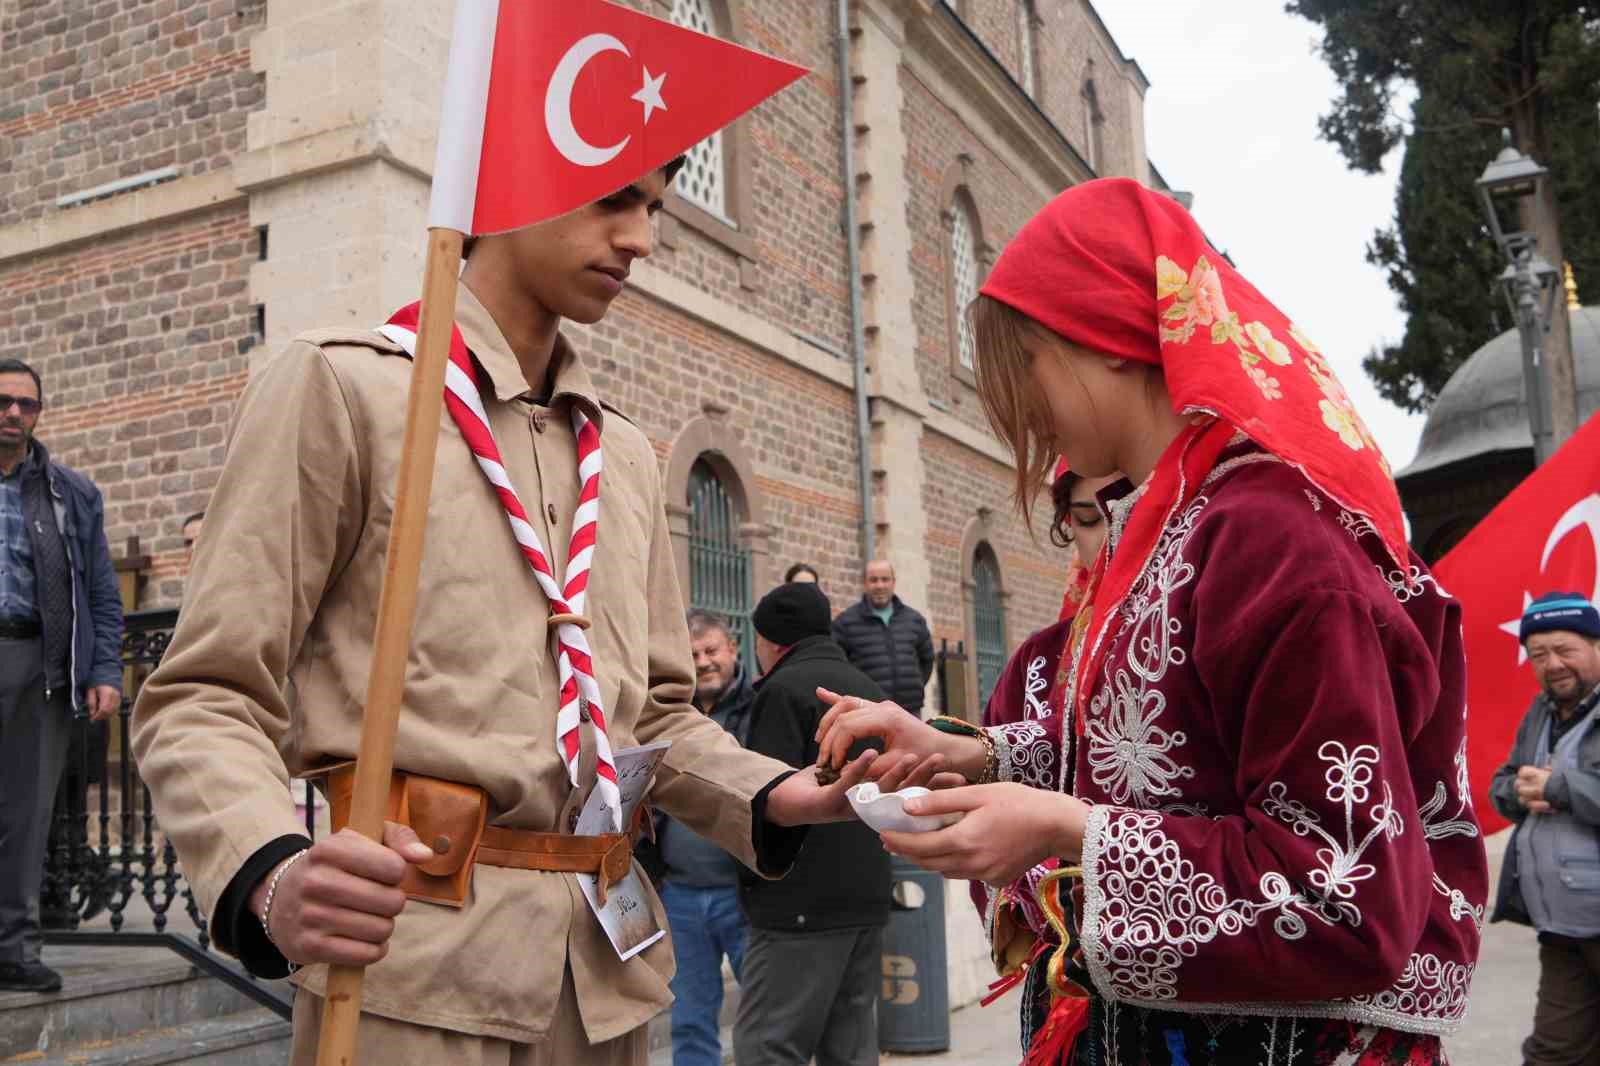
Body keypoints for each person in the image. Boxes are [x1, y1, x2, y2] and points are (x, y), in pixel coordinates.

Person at [130, 164, 939, 1064]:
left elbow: (654, 716)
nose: (642, 239)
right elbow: (205, 691)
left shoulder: (623, 456)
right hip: (412, 977)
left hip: (606, 984)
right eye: (614, 200)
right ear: (500, 191)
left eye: (657, 209)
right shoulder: (343, 391)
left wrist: (778, 793)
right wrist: (268, 871)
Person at [814, 178, 1488, 1064]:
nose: (1021, 411)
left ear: (1111, 342)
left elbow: (1347, 893)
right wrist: (968, 754)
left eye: (1030, 367)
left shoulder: (1268, 536)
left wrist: (1068, 831)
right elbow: (1171, 759)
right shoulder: (1173, 529)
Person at [969, 464, 1116, 1045]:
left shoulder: (1204, 642)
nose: (1112, 538)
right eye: (1087, 519)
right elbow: (985, 789)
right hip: (1062, 979)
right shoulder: (1036, 663)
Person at [0, 358, 123, 993]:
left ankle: (15, 950)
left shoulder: (69, 492)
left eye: (28, 404)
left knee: (26, 814)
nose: (15, 414)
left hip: (36, 662)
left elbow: (101, 591)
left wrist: (103, 669)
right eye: (4, 402)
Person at [733, 581, 890, 1066]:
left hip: (798, 907)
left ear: (771, 641)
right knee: (850, 1051)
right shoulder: (869, 688)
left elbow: (769, 795)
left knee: (768, 1047)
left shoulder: (781, 690)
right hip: (865, 898)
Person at [1489, 591, 1600, 1066]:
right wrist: (1517, 792)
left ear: (1596, 647)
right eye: (1539, 654)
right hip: (1561, 928)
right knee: (1554, 1054)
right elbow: (1503, 781)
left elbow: (1564, 787)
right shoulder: (1541, 711)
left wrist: (1559, 788)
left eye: (1565, 649)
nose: (1553, 664)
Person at [652, 609, 757, 1066]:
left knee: (763, 1017)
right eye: (693, 654)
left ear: (733, 650)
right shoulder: (669, 715)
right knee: (690, 1018)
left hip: (745, 894)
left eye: (712, 650)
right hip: (681, 895)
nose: (703, 661)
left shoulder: (759, 710)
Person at [831, 560, 934, 717]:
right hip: (867, 712)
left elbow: (926, 660)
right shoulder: (845, 623)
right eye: (873, 580)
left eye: (885, 579)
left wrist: (913, 687)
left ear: (893, 582)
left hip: (910, 712)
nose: (879, 585)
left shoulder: (915, 620)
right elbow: (839, 668)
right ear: (865, 584)